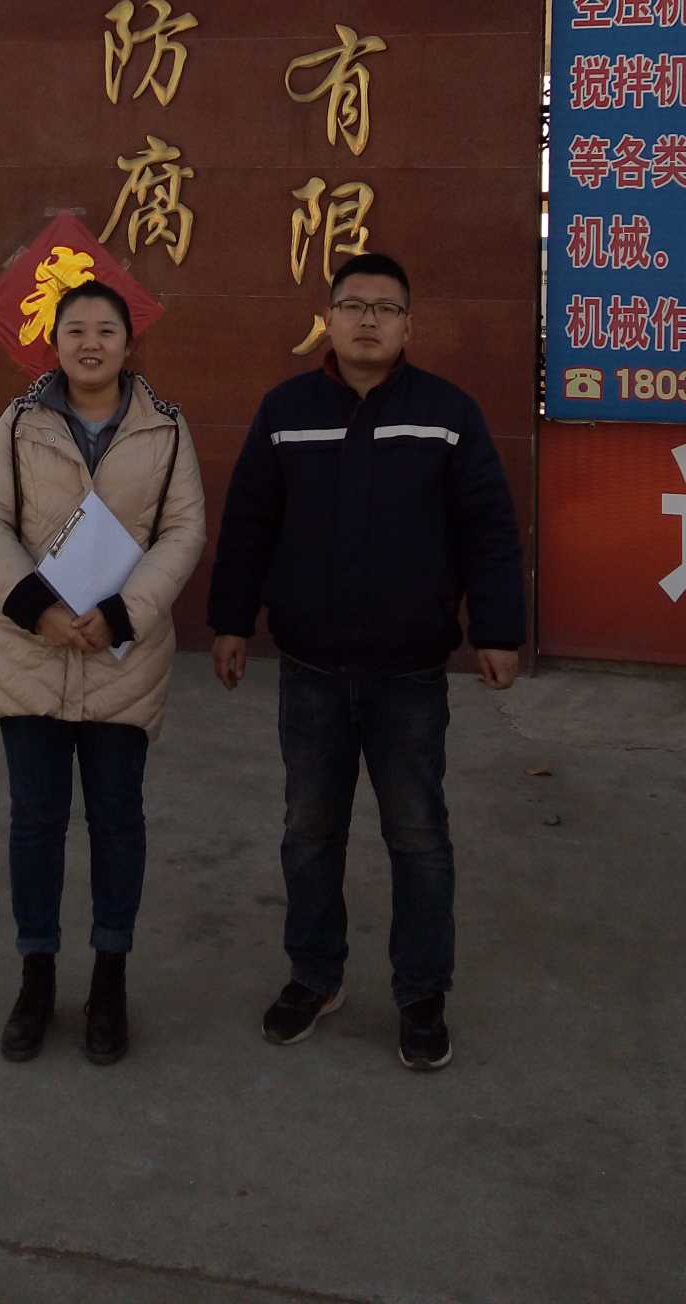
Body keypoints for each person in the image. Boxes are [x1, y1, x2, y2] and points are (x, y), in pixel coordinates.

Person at [206, 252, 524, 1072]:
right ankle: (314, 976)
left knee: (418, 838)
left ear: (410, 325)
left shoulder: (447, 413)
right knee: (309, 832)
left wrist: (496, 630)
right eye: (354, 305)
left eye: (386, 308)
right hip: (310, 668)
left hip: (409, 675)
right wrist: (231, 623)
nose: (369, 321)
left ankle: (421, 993)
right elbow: (248, 524)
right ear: (330, 318)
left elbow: (488, 529)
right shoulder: (286, 411)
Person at [0, 279, 205, 1067]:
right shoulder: (20, 420)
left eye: (106, 329)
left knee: (116, 821)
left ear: (129, 345)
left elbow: (183, 530)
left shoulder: (165, 427)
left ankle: (110, 978)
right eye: (76, 329)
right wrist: (34, 604)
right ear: (56, 341)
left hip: (120, 659)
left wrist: (125, 613)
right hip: (29, 652)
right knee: (35, 821)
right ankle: (36, 976)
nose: (91, 342)